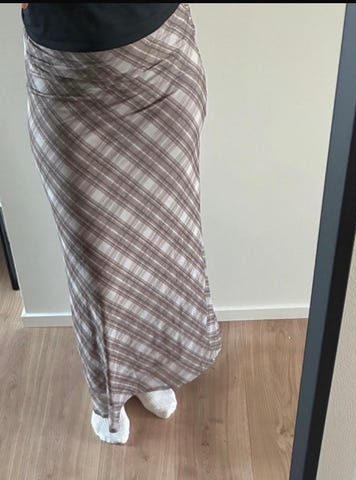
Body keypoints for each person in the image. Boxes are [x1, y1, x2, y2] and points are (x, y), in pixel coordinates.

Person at [21, 3, 222, 444]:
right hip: (66, 77)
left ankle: (154, 369)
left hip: (160, 63)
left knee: (166, 241)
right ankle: (108, 394)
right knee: (93, 261)